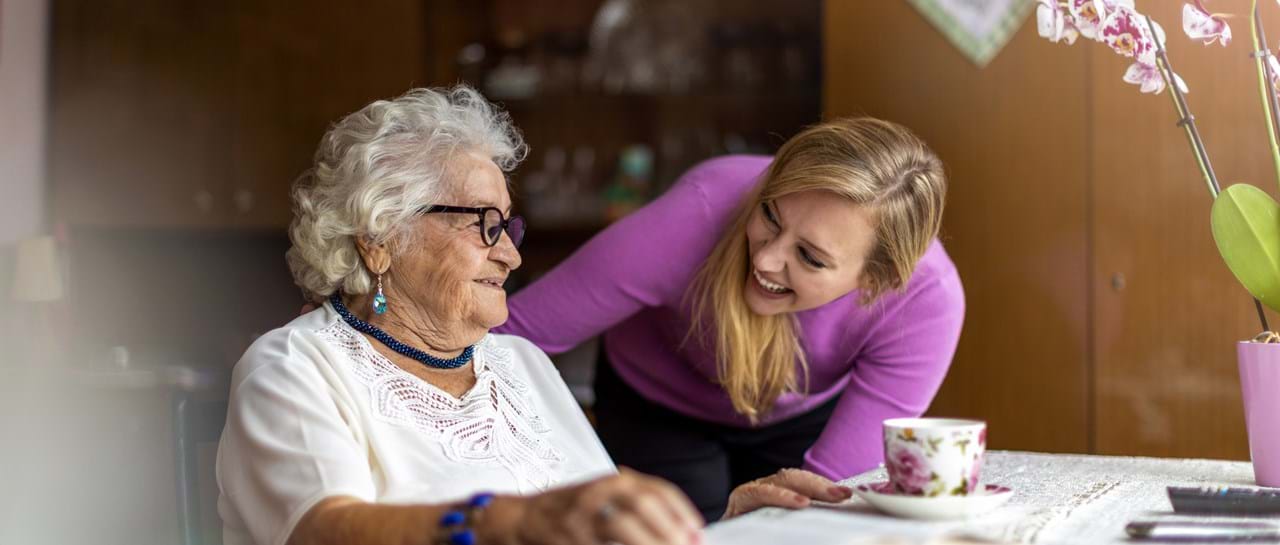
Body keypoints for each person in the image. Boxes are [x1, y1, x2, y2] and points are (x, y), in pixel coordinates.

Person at [216, 86, 851, 545]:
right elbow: (322, 529)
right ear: (380, 239)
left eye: (508, 227)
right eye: (484, 225)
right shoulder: (295, 368)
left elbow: (596, 526)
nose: (512, 254)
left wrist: (721, 530)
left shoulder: (519, 363)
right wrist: (510, 521)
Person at [496, 117, 965, 520]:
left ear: (877, 282)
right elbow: (507, 334)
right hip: (657, 404)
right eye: (770, 216)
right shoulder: (698, 211)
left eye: (809, 257)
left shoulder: (926, 302)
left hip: (800, 415)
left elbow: (828, 502)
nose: (766, 260)